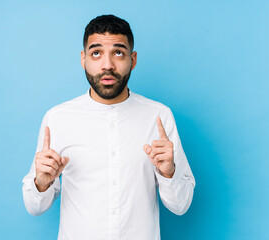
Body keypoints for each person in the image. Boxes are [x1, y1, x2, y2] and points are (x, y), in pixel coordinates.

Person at [22, 14, 195, 240]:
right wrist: (42, 183)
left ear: (132, 59)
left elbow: (180, 206)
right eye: (96, 53)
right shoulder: (57, 118)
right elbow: (35, 207)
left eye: (118, 53)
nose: (107, 65)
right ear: (83, 59)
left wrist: (169, 172)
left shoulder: (159, 116)